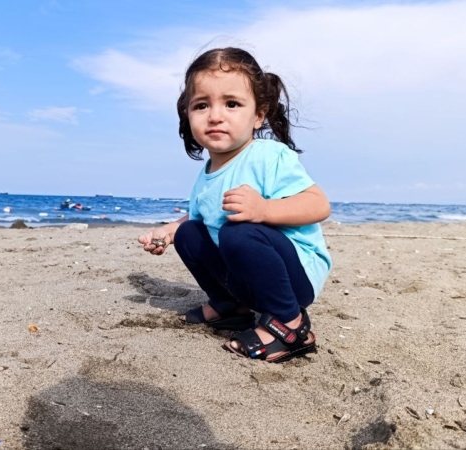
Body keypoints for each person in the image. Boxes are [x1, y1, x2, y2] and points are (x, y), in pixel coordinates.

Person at [138, 47, 332, 363]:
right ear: (187, 114)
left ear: (258, 115)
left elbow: (319, 204)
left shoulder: (268, 156)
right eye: (202, 105)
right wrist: (171, 229)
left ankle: (291, 324)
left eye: (232, 104)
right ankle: (232, 306)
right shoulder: (206, 175)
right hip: (247, 276)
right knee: (190, 232)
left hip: (294, 275)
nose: (215, 115)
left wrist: (265, 210)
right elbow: (203, 214)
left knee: (237, 232)